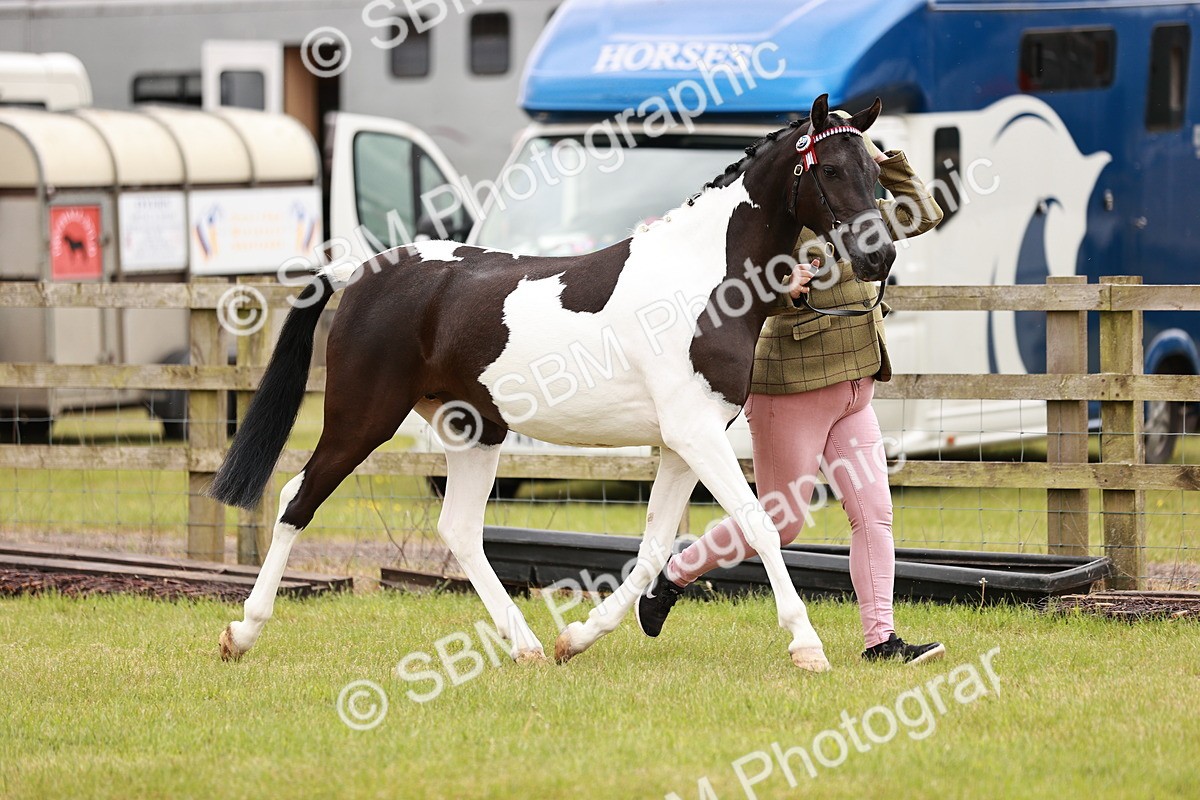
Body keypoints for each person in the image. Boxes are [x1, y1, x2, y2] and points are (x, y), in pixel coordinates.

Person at [636, 116, 946, 664]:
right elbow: (740, 295)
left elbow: (923, 211)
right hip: (791, 385)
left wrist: (876, 158)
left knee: (873, 513)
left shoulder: (858, 206)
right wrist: (784, 288)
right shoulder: (795, 213)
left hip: (855, 381)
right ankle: (677, 573)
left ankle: (881, 640)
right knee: (784, 521)